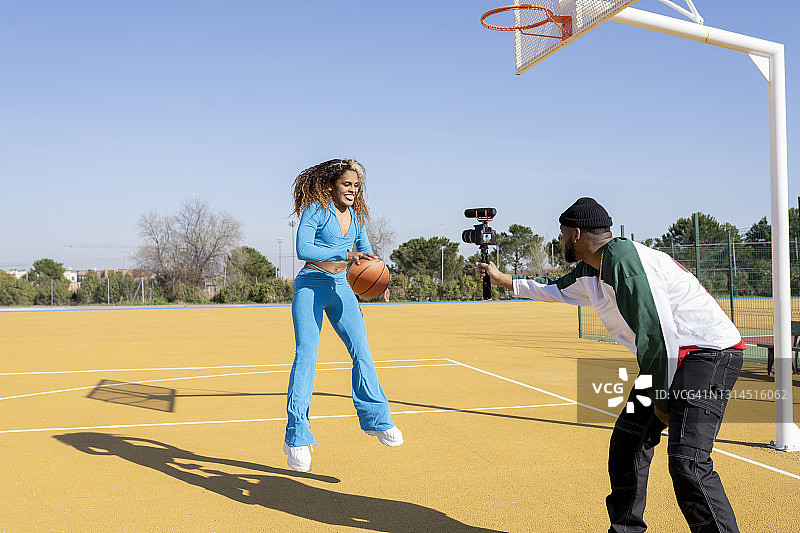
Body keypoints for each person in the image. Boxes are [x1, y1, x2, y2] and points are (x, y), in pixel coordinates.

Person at [478, 197, 744, 533]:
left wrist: (661, 401)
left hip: (706, 355)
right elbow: (554, 289)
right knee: (627, 445)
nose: (559, 242)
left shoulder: (626, 262)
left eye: (561, 235)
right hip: (670, 359)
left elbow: (657, 335)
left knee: (688, 462)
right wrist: (504, 280)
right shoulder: (592, 269)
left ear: (576, 233)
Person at [284, 158, 402, 473]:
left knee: (362, 351)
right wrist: (344, 254)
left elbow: (366, 252)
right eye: (347, 184)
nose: (352, 190)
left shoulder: (357, 216)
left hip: (342, 288)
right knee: (306, 356)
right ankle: (296, 435)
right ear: (332, 184)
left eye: (356, 186)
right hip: (311, 285)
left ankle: (376, 419)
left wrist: (381, 280)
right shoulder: (315, 210)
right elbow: (303, 249)